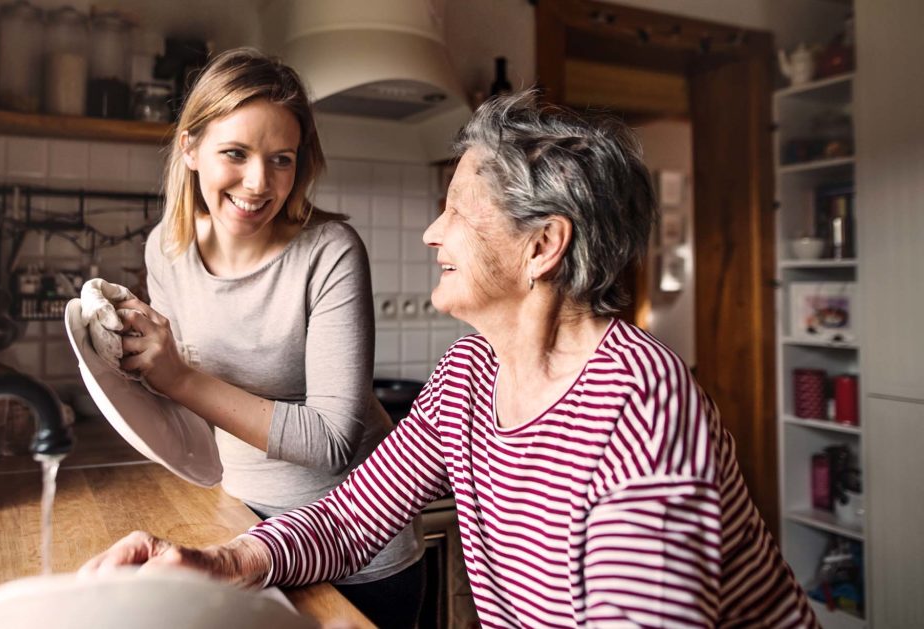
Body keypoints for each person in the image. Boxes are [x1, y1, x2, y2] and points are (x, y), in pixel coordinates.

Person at [83, 91, 819, 628]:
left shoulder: (641, 402)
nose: (433, 232)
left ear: (542, 246)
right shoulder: (470, 373)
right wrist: (222, 561)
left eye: (459, 212)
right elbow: (351, 516)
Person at [99, 48, 424, 627]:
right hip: (241, 526)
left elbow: (331, 442)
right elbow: (186, 407)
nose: (259, 182)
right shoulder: (165, 250)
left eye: (281, 159)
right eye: (236, 153)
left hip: (356, 550)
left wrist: (176, 374)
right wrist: (131, 358)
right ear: (190, 148)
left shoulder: (330, 253)